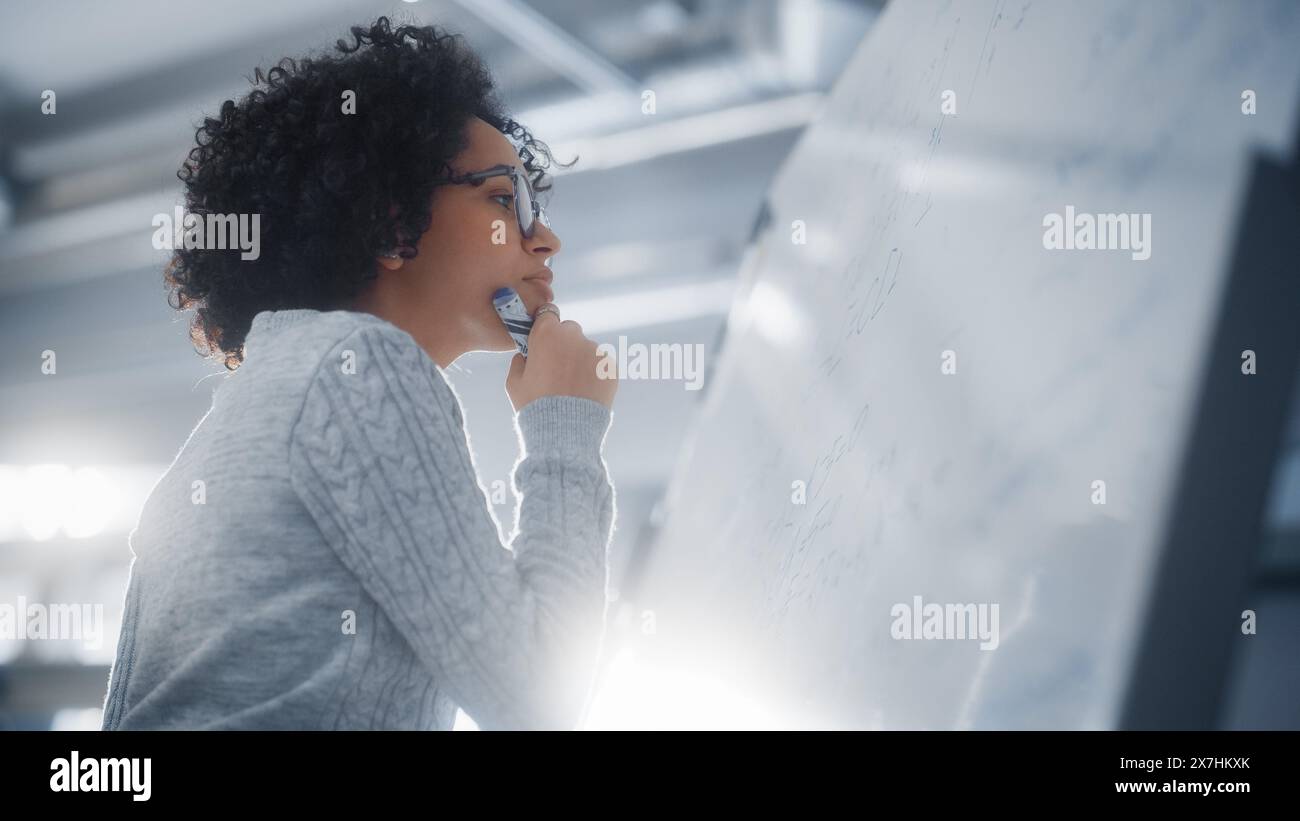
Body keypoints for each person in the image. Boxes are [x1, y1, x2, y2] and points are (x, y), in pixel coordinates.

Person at [100, 16, 618, 730]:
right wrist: (564, 427)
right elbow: (540, 699)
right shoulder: (355, 367)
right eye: (505, 198)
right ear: (392, 225)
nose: (547, 237)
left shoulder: (257, 401)